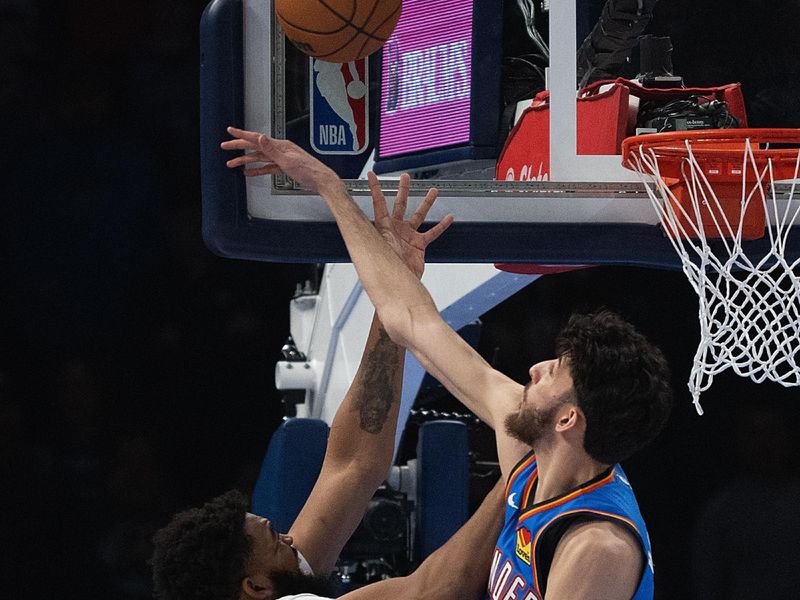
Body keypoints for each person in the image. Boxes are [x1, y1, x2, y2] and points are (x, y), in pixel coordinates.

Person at [222, 126, 674, 600]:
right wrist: (332, 190)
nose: (536, 368)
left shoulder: (596, 547)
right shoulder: (530, 461)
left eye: (555, 372)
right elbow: (411, 319)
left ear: (567, 418)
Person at [151, 179, 470, 599]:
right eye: (278, 541)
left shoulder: (273, 584)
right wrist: (528, 468)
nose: (289, 539)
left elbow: (356, 463)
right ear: (255, 585)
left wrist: (396, 280)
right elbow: (436, 588)